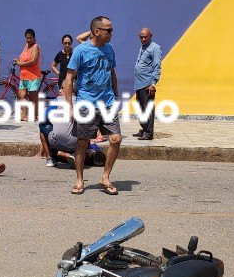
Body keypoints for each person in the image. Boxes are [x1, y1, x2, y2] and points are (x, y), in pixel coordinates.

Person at [64, 16, 121, 196]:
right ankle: (80, 179)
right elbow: (69, 78)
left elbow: (112, 72)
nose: (112, 33)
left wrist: (116, 95)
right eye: (108, 30)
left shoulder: (110, 48)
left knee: (116, 139)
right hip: (86, 103)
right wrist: (69, 106)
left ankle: (105, 177)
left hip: (108, 102)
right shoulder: (81, 50)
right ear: (97, 32)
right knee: (82, 143)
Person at [39, 109, 106, 168]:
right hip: (74, 148)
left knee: (42, 126)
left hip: (68, 148)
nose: (90, 152)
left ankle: (52, 158)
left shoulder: (91, 151)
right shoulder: (95, 150)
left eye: (90, 154)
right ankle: (68, 156)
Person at [133, 27, 162, 140]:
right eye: (141, 37)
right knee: (140, 108)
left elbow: (157, 66)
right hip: (139, 83)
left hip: (147, 84)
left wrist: (153, 84)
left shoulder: (155, 48)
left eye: (146, 36)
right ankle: (144, 129)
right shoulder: (143, 47)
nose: (143, 39)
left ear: (151, 36)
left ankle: (149, 133)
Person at [16, 28, 42, 121]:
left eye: (30, 38)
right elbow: (22, 57)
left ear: (34, 38)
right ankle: (24, 115)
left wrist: (20, 64)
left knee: (33, 96)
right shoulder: (26, 46)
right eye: (27, 38)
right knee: (21, 95)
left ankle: (35, 115)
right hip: (23, 76)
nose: (28, 40)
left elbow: (32, 61)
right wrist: (17, 60)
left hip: (33, 76)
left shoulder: (35, 47)